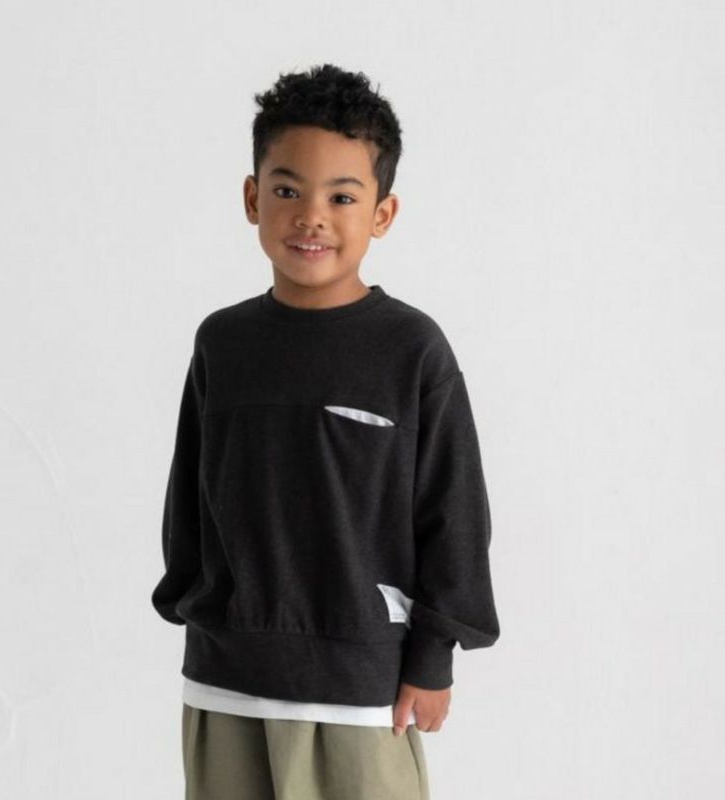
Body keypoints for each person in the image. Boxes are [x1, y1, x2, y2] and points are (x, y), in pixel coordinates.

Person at [151, 63, 500, 800]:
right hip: (225, 681)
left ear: (382, 213)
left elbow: (454, 512)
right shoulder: (222, 343)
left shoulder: (411, 350)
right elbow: (190, 498)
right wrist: (199, 609)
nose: (312, 216)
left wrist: (432, 655)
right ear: (253, 198)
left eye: (342, 197)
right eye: (287, 191)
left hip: (361, 688)